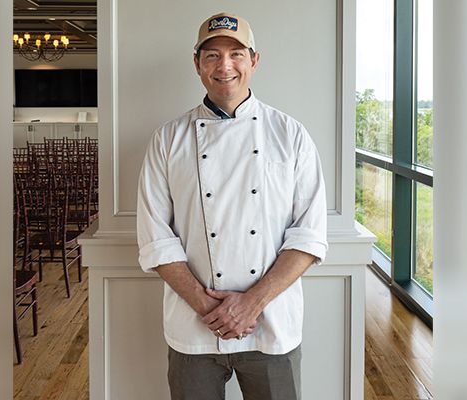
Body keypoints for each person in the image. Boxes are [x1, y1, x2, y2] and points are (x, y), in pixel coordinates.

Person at [136, 12, 328, 400]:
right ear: (197, 64)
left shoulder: (290, 135)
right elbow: (155, 237)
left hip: (271, 324)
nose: (225, 66)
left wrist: (251, 303)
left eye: (236, 54)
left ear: (254, 61)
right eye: (212, 55)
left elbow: (309, 236)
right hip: (194, 328)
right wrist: (208, 307)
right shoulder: (167, 140)